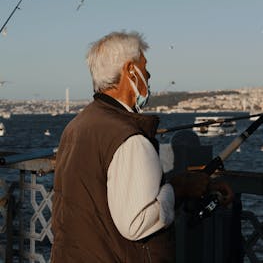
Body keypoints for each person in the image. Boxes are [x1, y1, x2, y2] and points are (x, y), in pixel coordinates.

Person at [51, 30, 233, 263]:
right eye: (144, 67)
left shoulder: (77, 125)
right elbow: (136, 224)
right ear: (130, 71)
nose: (148, 74)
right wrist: (179, 187)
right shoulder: (129, 138)